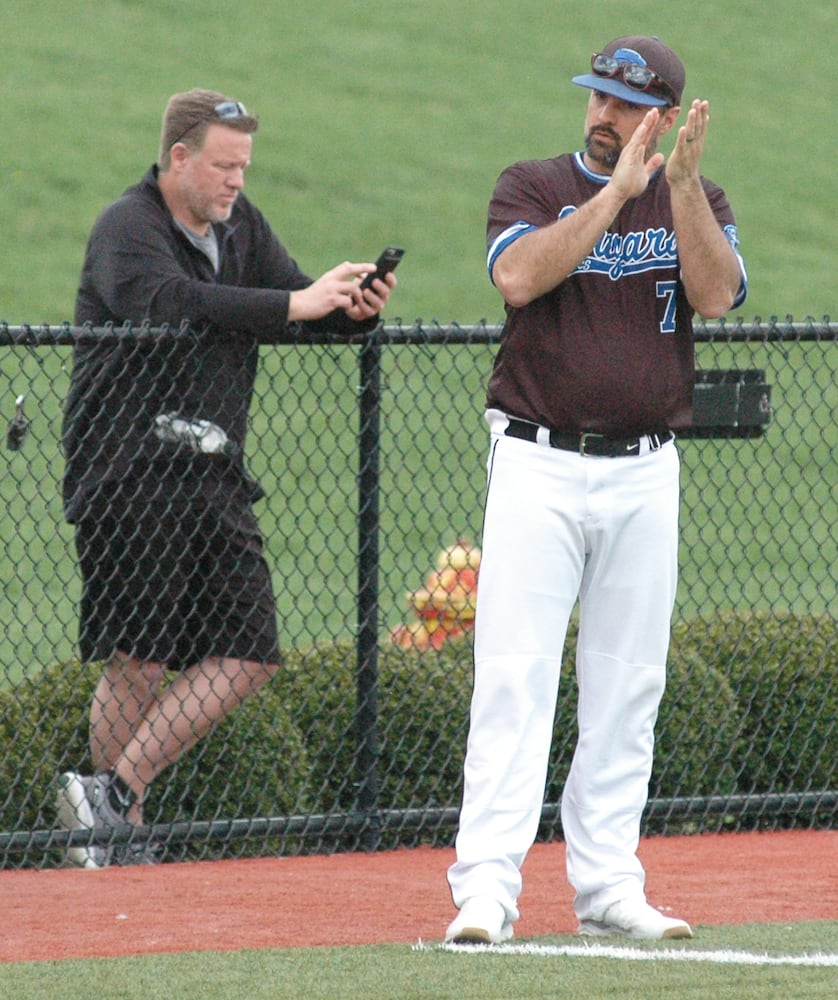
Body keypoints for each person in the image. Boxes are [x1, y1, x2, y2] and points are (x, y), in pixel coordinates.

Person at [445, 36, 747, 942]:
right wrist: (613, 195)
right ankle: (487, 892)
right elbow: (517, 274)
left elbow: (718, 294)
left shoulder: (701, 198)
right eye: (598, 98)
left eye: (625, 104)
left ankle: (610, 882)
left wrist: (679, 189)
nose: (604, 115)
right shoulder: (534, 184)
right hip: (539, 459)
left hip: (645, 467)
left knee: (627, 681)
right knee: (514, 676)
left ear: (662, 116)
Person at [56, 88, 397, 868]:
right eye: (223, 165)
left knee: (250, 651)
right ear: (179, 158)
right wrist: (294, 302)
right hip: (130, 470)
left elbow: (291, 306)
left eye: (243, 166)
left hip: (214, 471)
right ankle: (118, 835)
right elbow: (177, 305)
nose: (237, 182)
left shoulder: (240, 226)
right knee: (139, 659)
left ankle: (111, 792)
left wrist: (353, 309)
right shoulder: (127, 227)